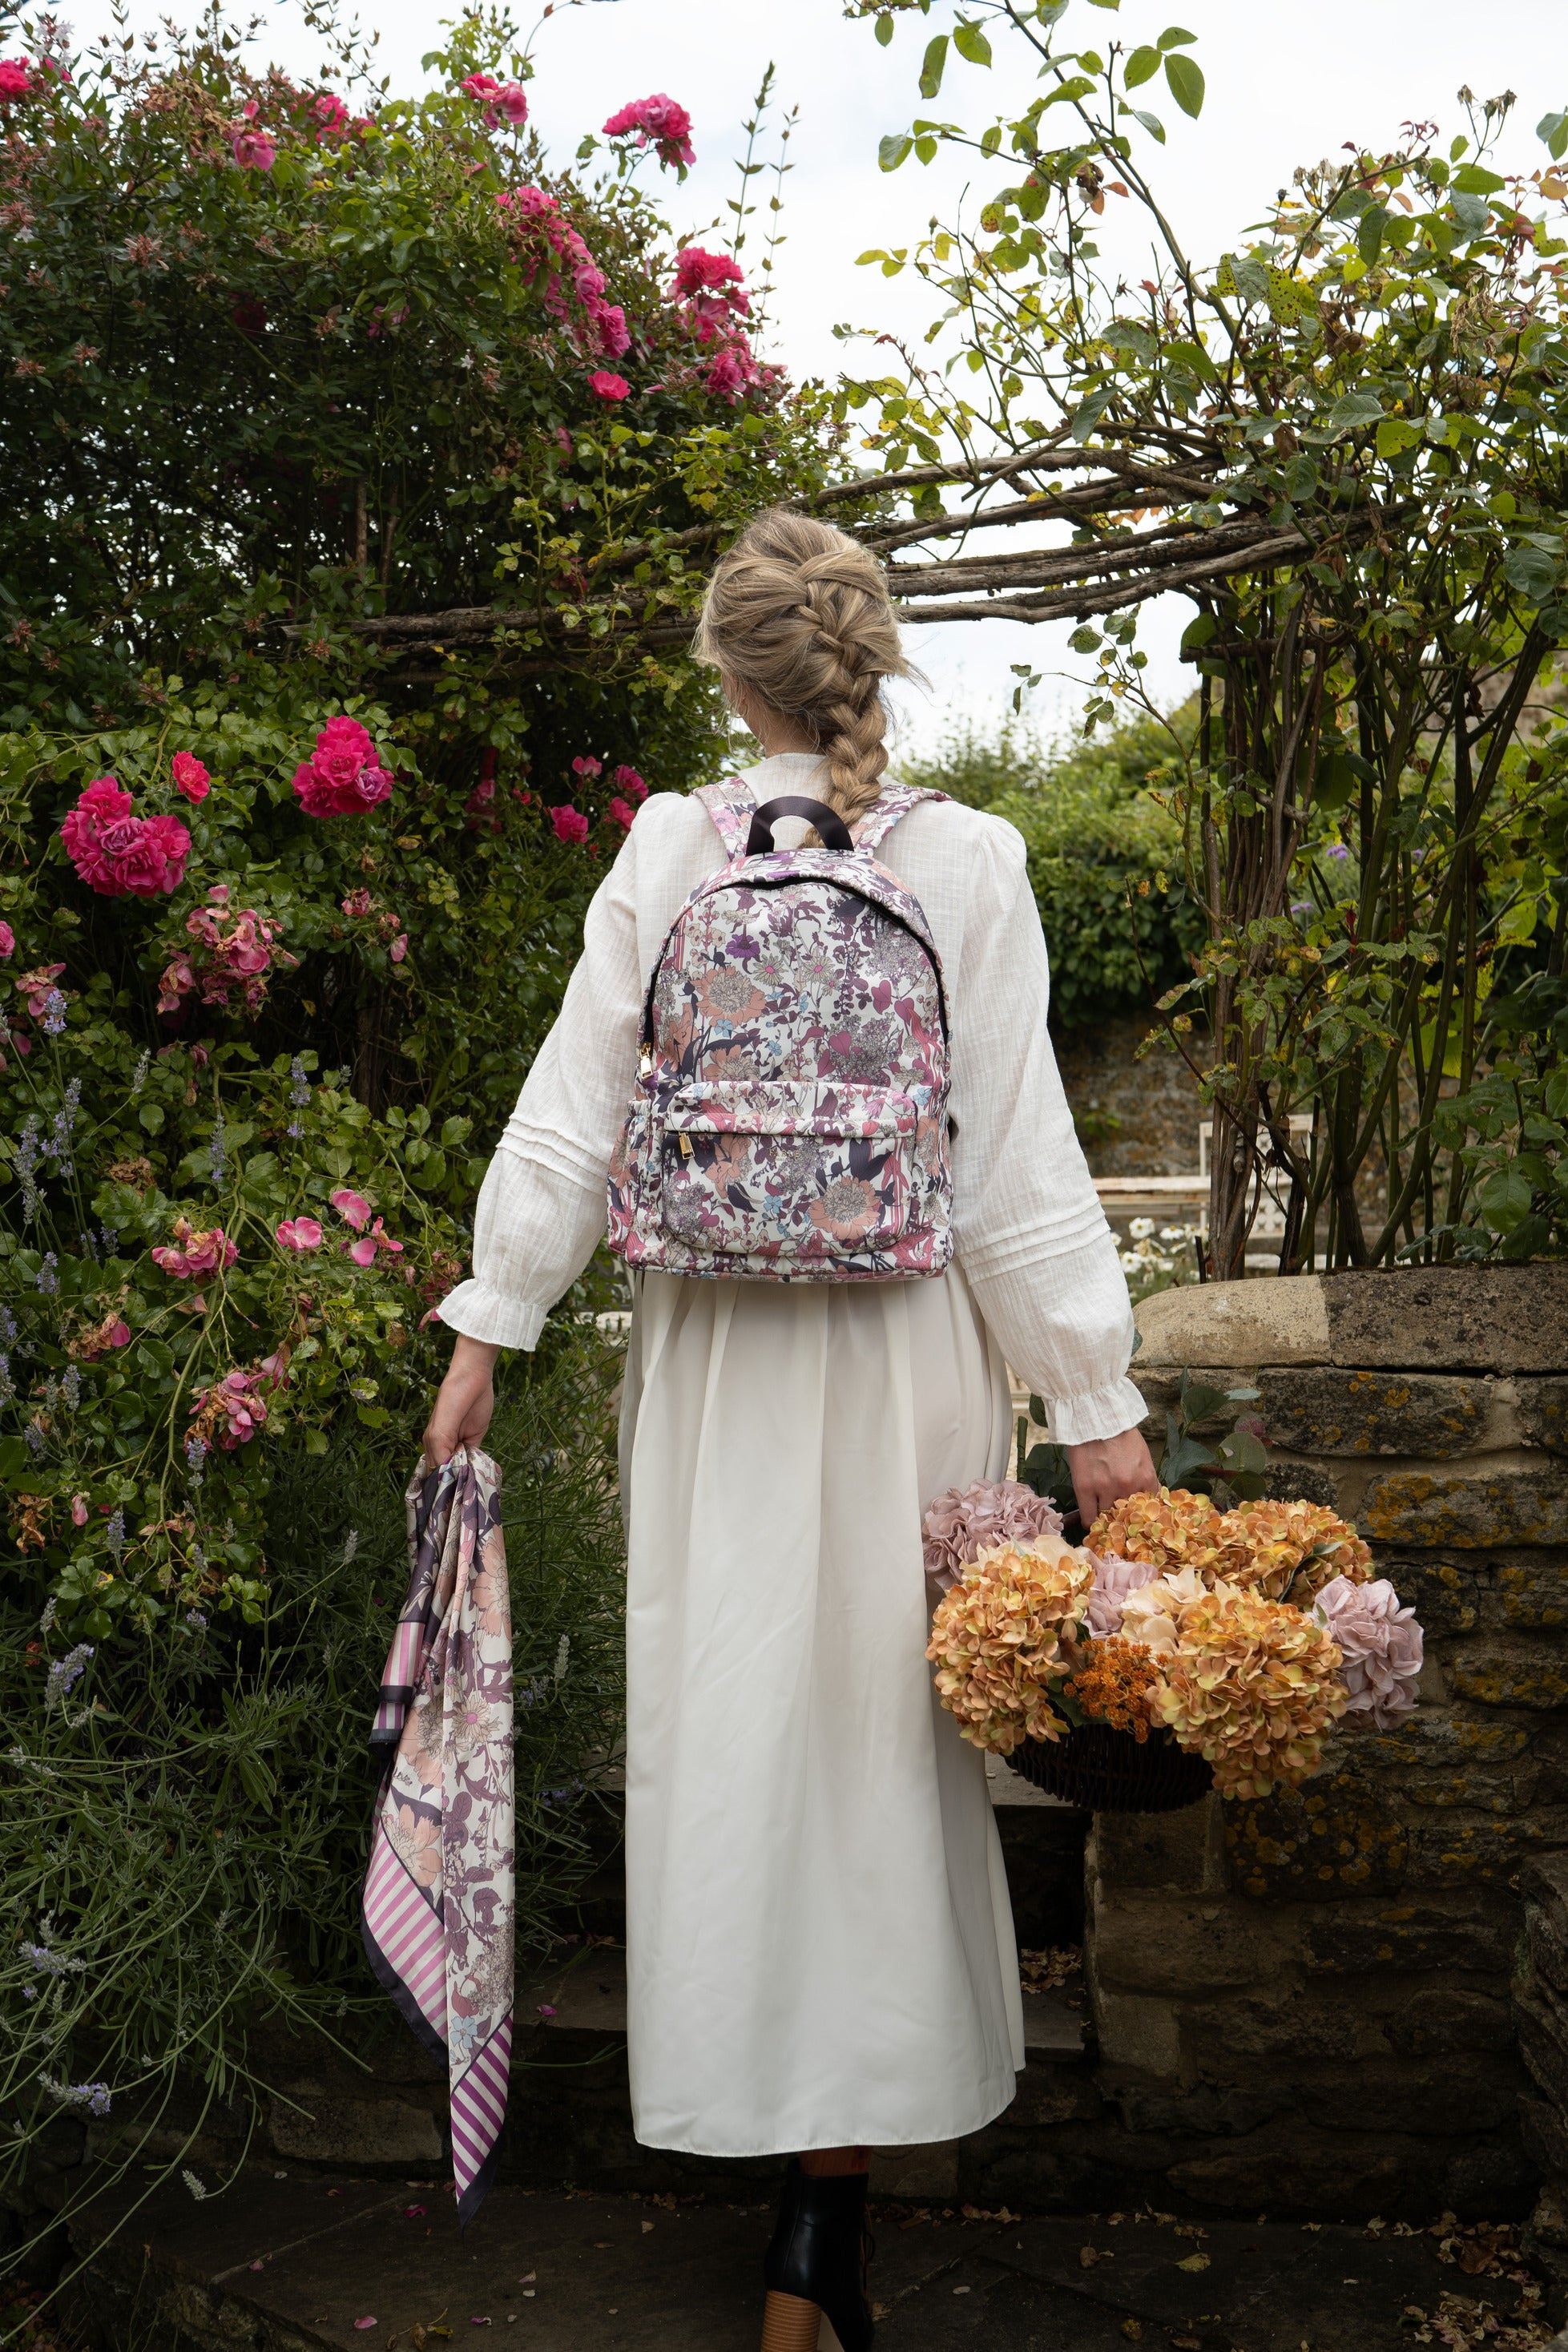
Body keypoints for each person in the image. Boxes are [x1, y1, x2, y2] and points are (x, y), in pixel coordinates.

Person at [424, 507, 1158, 2352]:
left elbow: (574, 1110)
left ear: (724, 671)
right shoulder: (970, 858)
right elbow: (1013, 1166)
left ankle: (787, 2198)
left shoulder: (672, 847)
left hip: (720, 1365)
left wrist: (490, 1323)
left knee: (732, 1734)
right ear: (870, 662)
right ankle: (825, 2227)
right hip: (904, 1356)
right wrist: (1094, 1405)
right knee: (881, 1751)